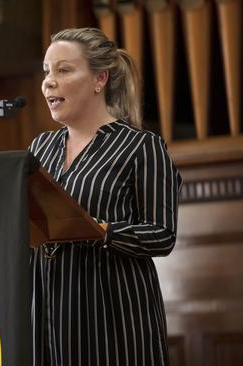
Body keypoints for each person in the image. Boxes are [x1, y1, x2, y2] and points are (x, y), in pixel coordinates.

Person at [28, 27, 181, 365]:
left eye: (64, 70)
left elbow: (162, 234)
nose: (49, 82)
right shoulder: (40, 148)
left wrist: (103, 230)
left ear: (100, 79)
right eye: (47, 71)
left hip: (112, 311)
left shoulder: (141, 147)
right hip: (49, 308)